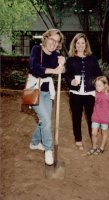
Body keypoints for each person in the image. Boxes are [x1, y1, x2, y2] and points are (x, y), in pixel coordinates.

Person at [29, 29, 65, 165]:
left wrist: (63, 64)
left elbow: (63, 71)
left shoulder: (56, 55)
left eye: (57, 41)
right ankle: (48, 150)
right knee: (46, 120)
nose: (54, 43)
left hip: (47, 93)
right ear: (46, 38)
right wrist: (53, 70)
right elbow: (34, 67)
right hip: (34, 90)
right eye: (52, 39)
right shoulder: (36, 49)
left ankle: (34, 143)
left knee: (45, 121)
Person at [65, 33, 102, 150]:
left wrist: (100, 85)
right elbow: (67, 76)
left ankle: (93, 137)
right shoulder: (70, 60)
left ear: (86, 44)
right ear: (74, 45)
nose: (80, 45)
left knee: (92, 117)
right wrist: (71, 81)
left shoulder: (92, 58)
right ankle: (78, 138)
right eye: (78, 43)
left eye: (82, 42)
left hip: (90, 94)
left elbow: (99, 74)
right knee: (76, 117)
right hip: (75, 94)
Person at [87, 76, 109, 155]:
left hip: (105, 118)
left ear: (105, 85)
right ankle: (94, 147)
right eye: (96, 85)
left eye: (99, 85)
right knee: (94, 133)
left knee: (104, 132)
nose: (97, 87)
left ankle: (102, 147)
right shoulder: (95, 94)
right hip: (96, 117)